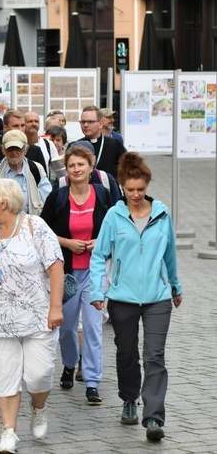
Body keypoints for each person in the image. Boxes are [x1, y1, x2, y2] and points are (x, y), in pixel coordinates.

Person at [0, 178, 64, 454]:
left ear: (3, 204)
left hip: (37, 316)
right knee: (4, 376)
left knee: (39, 375)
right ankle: (8, 432)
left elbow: (56, 268)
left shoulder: (36, 227)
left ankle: (39, 406)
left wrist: (56, 307)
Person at [89, 152, 182, 442]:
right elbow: (99, 256)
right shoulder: (114, 216)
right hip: (123, 297)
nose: (136, 195)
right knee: (126, 353)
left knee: (154, 355)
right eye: (130, 190)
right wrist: (97, 291)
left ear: (147, 186)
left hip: (157, 297)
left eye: (141, 189)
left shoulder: (162, 215)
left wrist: (176, 287)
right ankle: (129, 399)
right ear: (122, 187)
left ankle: (153, 416)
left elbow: (170, 255)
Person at [40, 145, 114, 406]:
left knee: (93, 327)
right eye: (71, 166)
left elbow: (117, 227)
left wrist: (100, 241)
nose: (76, 169)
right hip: (67, 273)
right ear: (67, 171)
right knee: (68, 326)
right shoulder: (58, 198)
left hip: (96, 272)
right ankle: (70, 364)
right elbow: (44, 232)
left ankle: (92, 382)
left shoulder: (104, 194)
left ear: (91, 167)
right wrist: (67, 242)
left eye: (81, 165)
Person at [0, 111, 48, 212]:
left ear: (25, 149)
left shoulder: (35, 155)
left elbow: (47, 198)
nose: (20, 129)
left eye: (22, 125)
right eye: (15, 126)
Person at [0, 130, 52, 227]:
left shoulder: (36, 169)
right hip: (1, 229)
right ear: (2, 149)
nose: (14, 152)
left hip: (30, 229)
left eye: (18, 148)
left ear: (26, 149)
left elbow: (48, 202)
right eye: (10, 148)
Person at [70, 105, 127, 180]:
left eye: (90, 122)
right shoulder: (74, 146)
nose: (85, 125)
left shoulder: (115, 144)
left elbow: (126, 170)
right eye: (83, 122)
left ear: (100, 124)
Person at [24, 111, 62, 181]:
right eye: (30, 121)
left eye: (36, 121)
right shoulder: (20, 145)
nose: (33, 124)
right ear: (23, 124)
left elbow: (59, 169)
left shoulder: (48, 144)